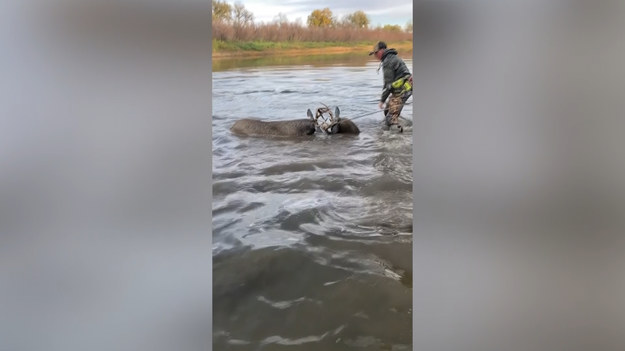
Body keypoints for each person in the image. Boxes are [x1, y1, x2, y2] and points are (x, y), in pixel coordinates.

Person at [369, 41, 413, 131]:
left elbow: (388, 85)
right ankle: (396, 118)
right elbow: (389, 84)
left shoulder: (388, 61)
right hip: (399, 89)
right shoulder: (389, 58)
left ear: (381, 51)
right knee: (386, 111)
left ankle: (398, 134)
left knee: (390, 120)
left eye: (376, 53)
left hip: (403, 90)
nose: (375, 56)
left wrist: (382, 101)